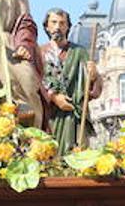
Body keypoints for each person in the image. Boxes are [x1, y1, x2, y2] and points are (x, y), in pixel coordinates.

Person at [39, 8, 101, 154]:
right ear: (47, 26)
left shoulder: (79, 52)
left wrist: (93, 76)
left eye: (62, 23)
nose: (57, 27)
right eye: (53, 22)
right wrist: (53, 97)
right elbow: (35, 81)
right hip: (49, 115)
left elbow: (91, 87)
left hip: (73, 116)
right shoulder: (39, 52)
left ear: (67, 26)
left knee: (74, 152)